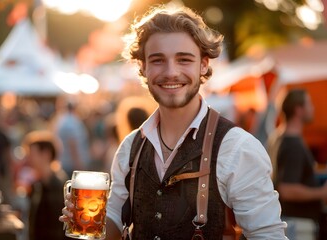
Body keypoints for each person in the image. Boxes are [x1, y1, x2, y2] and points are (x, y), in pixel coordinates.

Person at [60, 5, 287, 239]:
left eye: (184, 60)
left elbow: (268, 235)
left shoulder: (237, 148)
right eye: (158, 60)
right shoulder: (130, 147)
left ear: (204, 65)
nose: (171, 72)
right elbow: (115, 225)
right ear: (143, 67)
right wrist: (89, 223)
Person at [267, 88, 327, 240]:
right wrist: (322, 192)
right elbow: (287, 189)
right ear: (299, 110)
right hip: (297, 225)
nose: (313, 108)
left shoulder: (277, 137)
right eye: (309, 104)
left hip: (287, 220)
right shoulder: (293, 143)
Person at [21, 130, 68, 240]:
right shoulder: (38, 184)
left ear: (46, 154)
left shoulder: (57, 185)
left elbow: (58, 227)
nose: (28, 159)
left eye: (31, 154)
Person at [53, 97, 92, 178]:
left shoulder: (61, 120)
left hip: (65, 163)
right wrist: (79, 165)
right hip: (71, 165)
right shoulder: (71, 122)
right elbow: (72, 144)